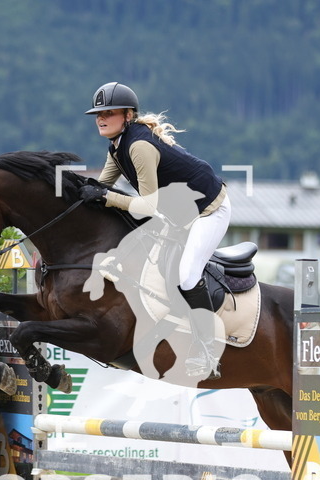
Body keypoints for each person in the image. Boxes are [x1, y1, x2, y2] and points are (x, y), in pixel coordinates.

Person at [80, 81, 230, 379]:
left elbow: (147, 206)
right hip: (178, 215)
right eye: (98, 113)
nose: (100, 117)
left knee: (187, 277)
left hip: (208, 211)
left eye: (108, 112)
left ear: (127, 115)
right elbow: (100, 187)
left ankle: (208, 350)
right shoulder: (117, 147)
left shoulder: (138, 147)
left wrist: (105, 197)